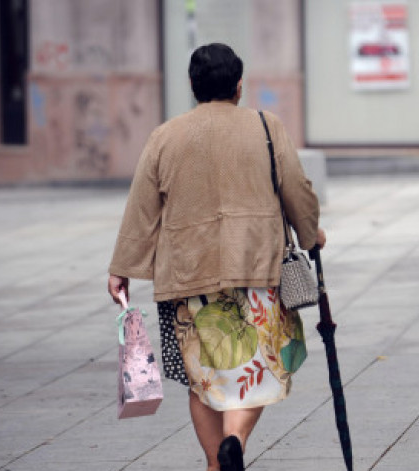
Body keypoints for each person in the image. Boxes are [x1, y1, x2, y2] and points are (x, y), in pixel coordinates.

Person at [106, 43, 325, 471]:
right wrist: (309, 232)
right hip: (258, 268)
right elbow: (296, 188)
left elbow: (141, 210)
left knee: (202, 376)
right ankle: (236, 443)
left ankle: (214, 463)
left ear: (192, 85)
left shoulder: (164, 137)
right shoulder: (266, 126)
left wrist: (122, 269)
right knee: (260, 366)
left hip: (190, 274)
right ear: (239, 85)